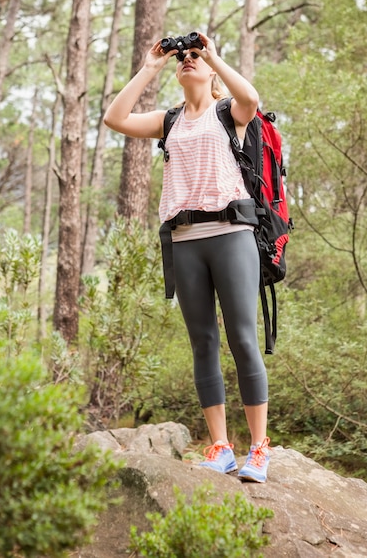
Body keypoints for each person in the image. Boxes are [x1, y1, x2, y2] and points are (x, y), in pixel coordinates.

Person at [104, 31, 270, 482]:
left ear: (212, 74)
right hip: (184, 240)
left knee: (241, 337)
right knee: (203, 343)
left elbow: (251, 97)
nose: (188, 61)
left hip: (232, 233)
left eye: (194, 57)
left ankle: (259, 449)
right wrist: (151, 65)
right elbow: (114, 119)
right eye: (185, 59)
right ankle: (220, 448)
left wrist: (214, 55)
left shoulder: (228, 112)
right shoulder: (169, 120)